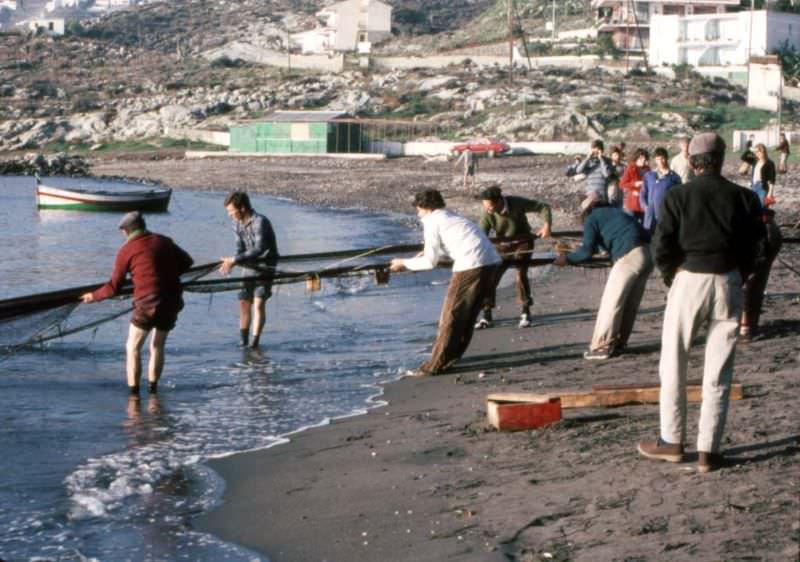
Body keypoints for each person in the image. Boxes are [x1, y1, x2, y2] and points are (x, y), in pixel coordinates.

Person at [638, 132, 765, 474]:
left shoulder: (678, 196)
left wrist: (671, 273)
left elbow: (661, 245)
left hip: (689, 279)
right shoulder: (744, 197)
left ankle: (672, 441)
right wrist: (742, 271)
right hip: (728, 280)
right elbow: (757, 244)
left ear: (692, 162)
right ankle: (709, 448)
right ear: (721, 160)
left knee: (674, 361)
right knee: (719, 368)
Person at [390, 189, 501, 376]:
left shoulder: (432, 221)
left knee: (451, 316)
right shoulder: (451, 217)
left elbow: (428, 263)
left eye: (418, 209)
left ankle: (434, 366)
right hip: (492, 263)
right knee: (467, 316)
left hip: (471, 265)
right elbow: (451, 246)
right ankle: (450, 358)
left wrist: (404, 263)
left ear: (426, 207)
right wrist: (424, 255)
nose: (418, 213)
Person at [80, 211, 194, 395]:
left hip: (147, 303)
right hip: (171, 301)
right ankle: (153, 390)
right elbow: (188, 262)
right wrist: (165, 274)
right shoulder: (164, 241)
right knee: (157, 346)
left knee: (132, 347)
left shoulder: (126, 250)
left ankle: (134, 396)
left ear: (126, 230)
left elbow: (113, 287)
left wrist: (92, 296)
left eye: (123, 231)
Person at [553, 191, 653, 360]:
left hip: (629, 257)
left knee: (611, 303)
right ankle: (619, 343)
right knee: (629, 304)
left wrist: (567, 259)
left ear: (588, 210)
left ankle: (602, 346)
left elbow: (586, 251)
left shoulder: (593, 218)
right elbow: (638, 234)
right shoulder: (619, 213)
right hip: (647, 256)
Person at [475, 185, 552, 329]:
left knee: (520, 274)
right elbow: (481, 234)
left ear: (499, 202)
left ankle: (525, 311)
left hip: (523, 242)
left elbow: (543, 207)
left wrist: (547, 225)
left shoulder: (516, 203)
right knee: (491, 277)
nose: (487, 210)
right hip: (503, 245)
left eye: (490, 206)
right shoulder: (487, 213)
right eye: (485, 206)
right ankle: (486, 314)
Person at [219, 191, 279, 349]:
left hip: (266, 266)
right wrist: (232, 261)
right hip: (248, 265)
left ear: (243, 208)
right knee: (244, 303)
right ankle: (243, 342)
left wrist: (235, 260)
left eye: (232, 211)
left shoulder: (260, 221)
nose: (230, 215)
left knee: (258, 303)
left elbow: (259, 249)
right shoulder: (236, 224)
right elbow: (239, 249)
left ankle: (254, 343)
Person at [741, 208, 782, 340]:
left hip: (758, 267)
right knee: (754, 297)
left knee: (748, 295)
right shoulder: (773, 228)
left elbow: (762, 251)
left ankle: (746, 328)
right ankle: (750, 326)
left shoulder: (768, 229)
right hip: (763, 267)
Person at [640, 147, 682, 236]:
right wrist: (645, 207)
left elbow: (678, 197)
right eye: (658, 159)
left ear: (666, 158)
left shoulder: (674, 178)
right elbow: (643, 193)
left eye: (662, 158)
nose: (661, 161)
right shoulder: (649, 175)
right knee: (648, 239)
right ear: (655, 160)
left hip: (665, 214)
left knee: (663, 239)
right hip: (650, 216)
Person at [574, 140, 611, 204]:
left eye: (597, 149)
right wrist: (587, 158)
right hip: (590, 196)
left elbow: (606, 174)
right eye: (593, 149)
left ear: (602, 150)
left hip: (602, 197)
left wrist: (601, 159)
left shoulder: (606, 161)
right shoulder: (588, 161)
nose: (595, 152)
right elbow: (578, 170)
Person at [619, 148, 650, 222]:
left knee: (644, 227)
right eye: (641, 158)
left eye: (645, 158)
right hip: (632, 203)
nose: (643, 160)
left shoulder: (648, 169)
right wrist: (635, 184)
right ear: (637, 158)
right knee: (631, 225)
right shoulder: (630, 168)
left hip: (644, 202)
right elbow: (622, 184)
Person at [750, 143, 776, 208]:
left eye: (758, 152)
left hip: (762, 187)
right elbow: (744, 156)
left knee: (762, 207)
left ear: (763, 151)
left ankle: (763, 218)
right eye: (755, 152)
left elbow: (772, 179)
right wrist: (750, 149)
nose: (757, 154)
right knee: (754, 207)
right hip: (753, 186)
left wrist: (770, 192)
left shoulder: (770, 163)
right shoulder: (755, 162)